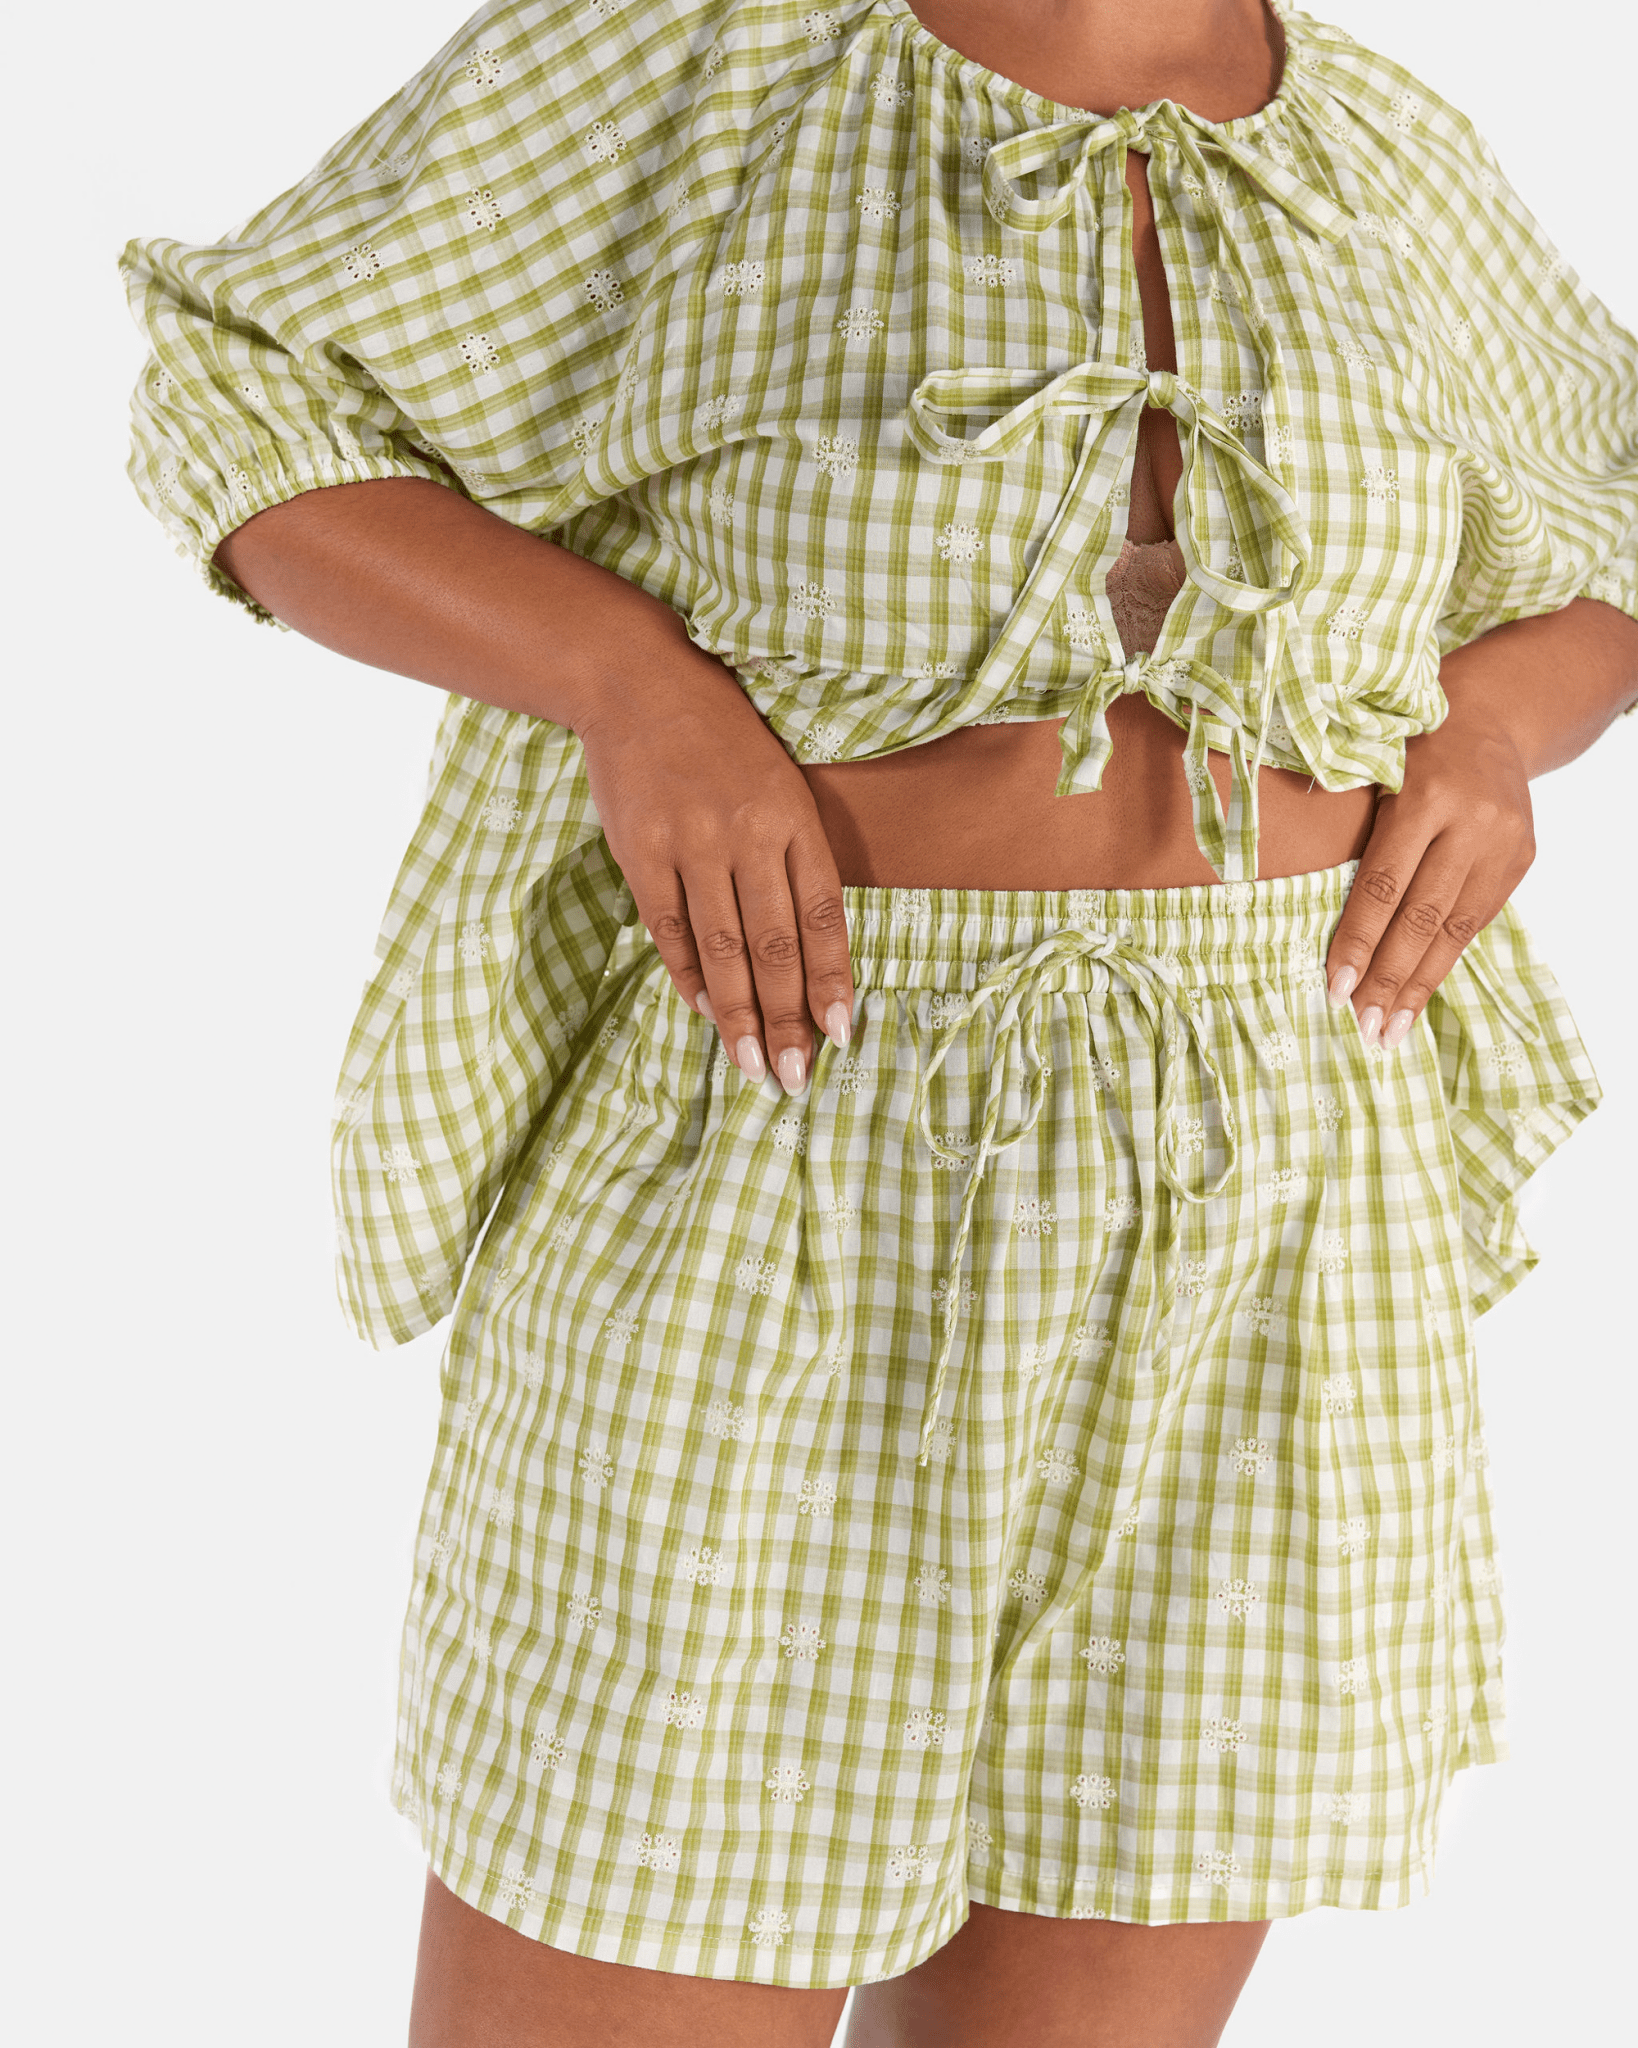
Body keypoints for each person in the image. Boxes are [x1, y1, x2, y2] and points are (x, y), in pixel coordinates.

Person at [120, 0, 1638, 2041]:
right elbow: (244, 393)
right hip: (783, 1138)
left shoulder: (1380, 145)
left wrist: (1499, 720)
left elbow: (1615, 498)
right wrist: (624, 682)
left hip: (1277, 1195)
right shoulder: (696, 58)